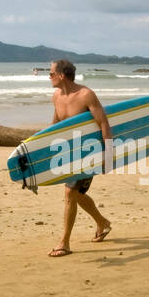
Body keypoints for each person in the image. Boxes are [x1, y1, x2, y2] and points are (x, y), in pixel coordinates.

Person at [46, 58, 111, 257]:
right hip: (68, 152)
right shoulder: (56, 96)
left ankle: (64, 242)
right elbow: (56, 124)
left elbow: (104, 123)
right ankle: (102, 222)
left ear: (61, 75)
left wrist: (108, 155)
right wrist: (43, 148)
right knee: (77, 195)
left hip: (88, 151)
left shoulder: (86, 95)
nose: (49, 77)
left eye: (51, 73)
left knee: (69, 194)